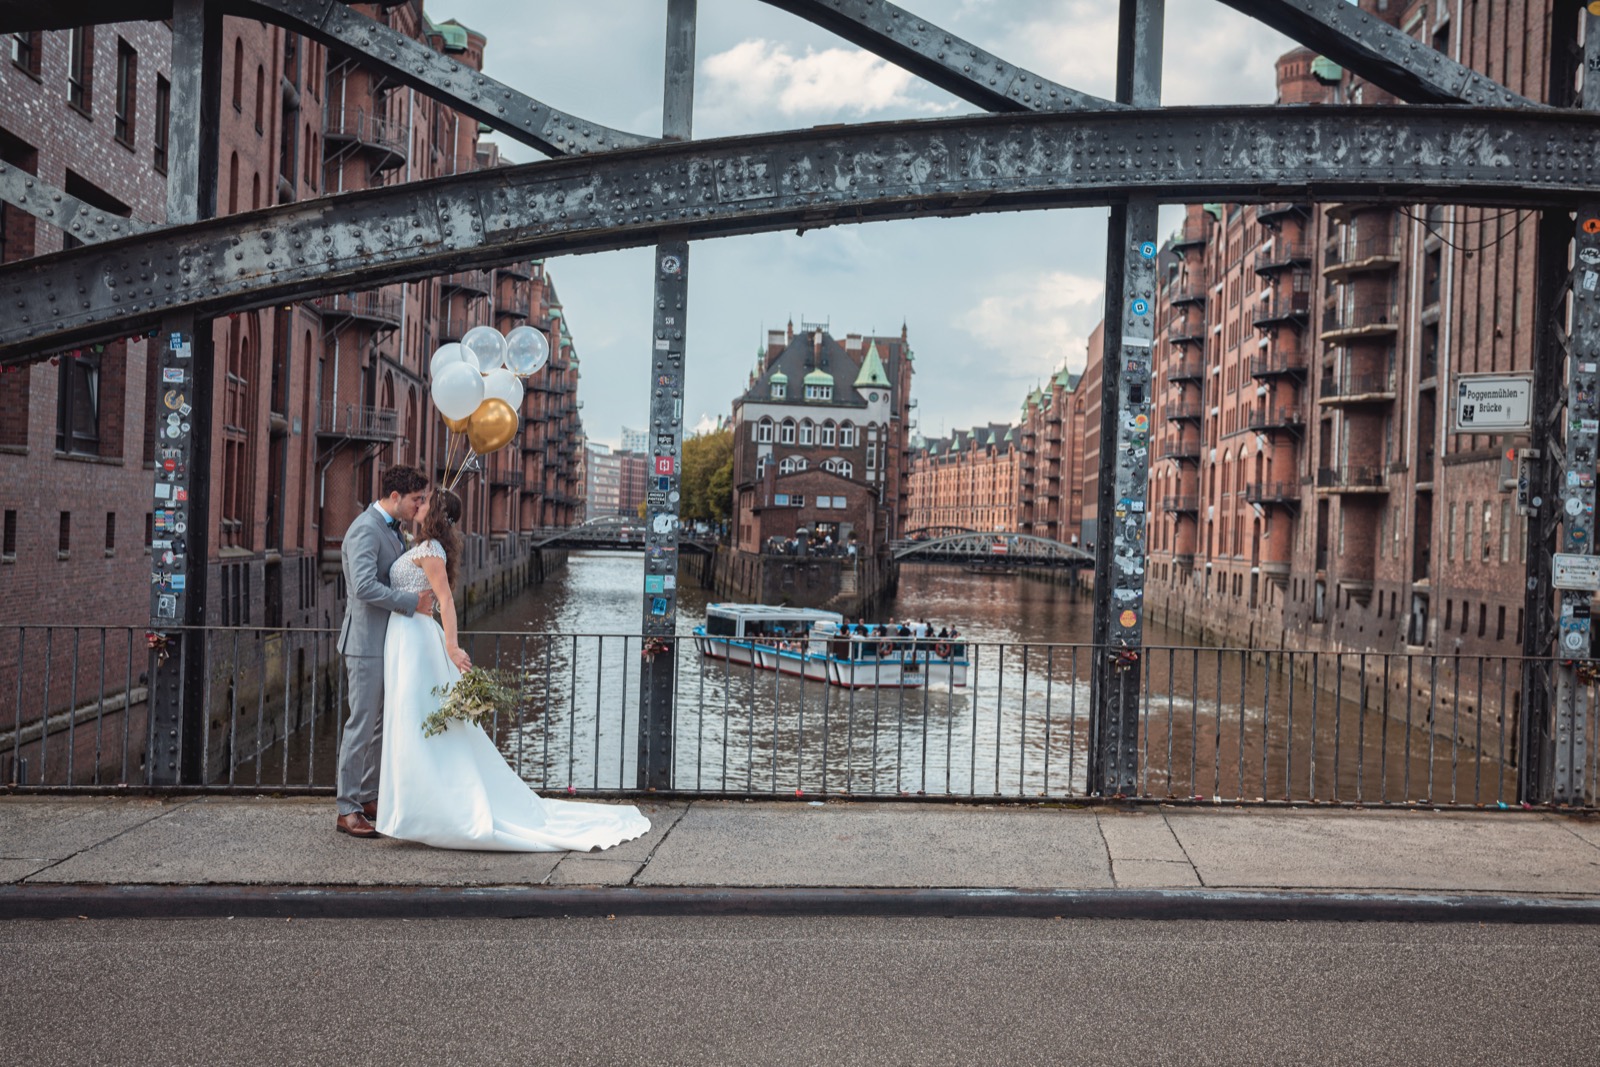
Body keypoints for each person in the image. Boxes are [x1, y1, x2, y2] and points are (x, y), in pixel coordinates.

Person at [376, 488, 651, 852]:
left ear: (435, 513)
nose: (418, 504)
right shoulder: (423, 545)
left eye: (424, 502)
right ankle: (408, 810)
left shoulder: (429, 552)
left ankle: (424, 810)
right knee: (410, 719)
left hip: (415, 640)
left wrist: (453, 648)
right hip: (405, 636)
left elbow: (445, 601)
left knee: (415, 719)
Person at [335, 464, 434, 839]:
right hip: (364, 644)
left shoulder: (392, 530)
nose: (419, 505)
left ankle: (366, 795)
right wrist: (411, 601)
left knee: (377, 726)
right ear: (395, 497)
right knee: (360, 725)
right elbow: (362, 587)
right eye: (415, 499)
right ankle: (347, 808)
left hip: (384, 644)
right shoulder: (364, 529)